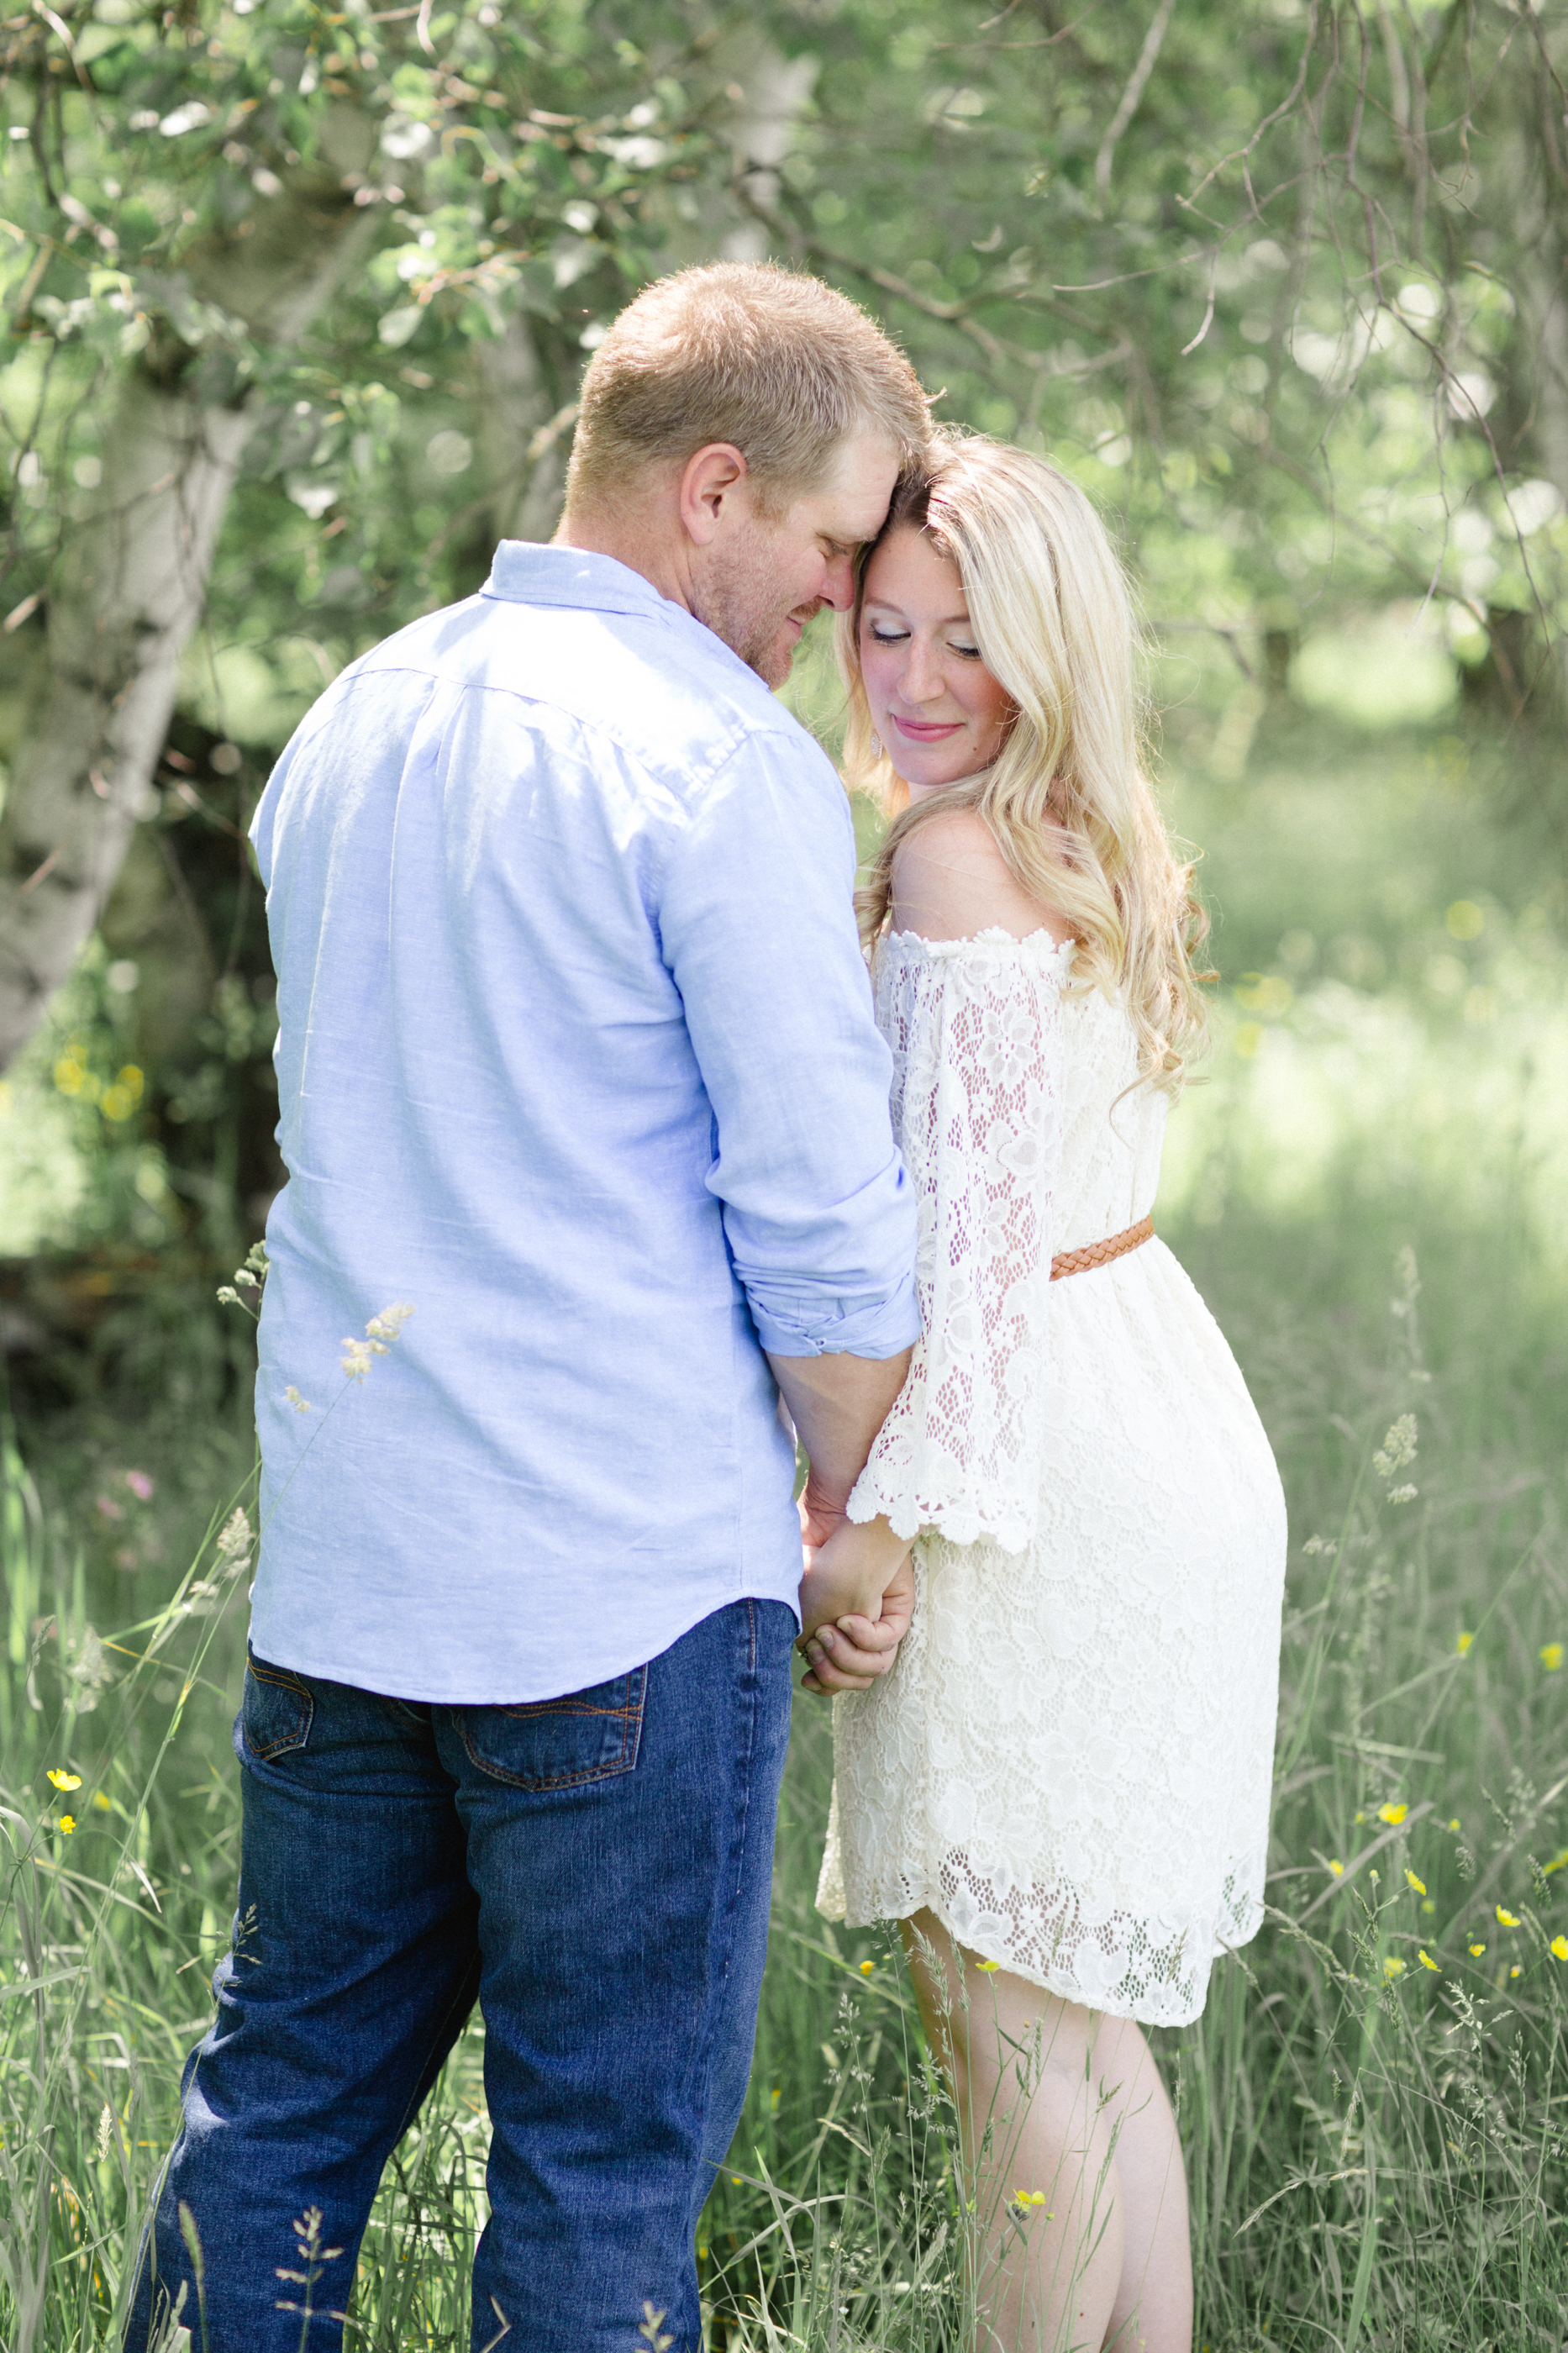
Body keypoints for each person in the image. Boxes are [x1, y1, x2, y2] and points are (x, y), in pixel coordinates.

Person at [126, 263, 933, 2353]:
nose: (838, 606)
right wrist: (847, 1504)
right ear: (719, 491)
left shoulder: (355, 712)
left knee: (275, 2118)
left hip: (353, 1576)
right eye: (836, 548)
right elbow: (824, 1218)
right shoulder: (712, 757)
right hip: (621, 1601)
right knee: (596, 2180)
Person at [803, 434, 1287, 2352]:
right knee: (1078, 2032)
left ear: (1052, 645)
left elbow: (974, 1283)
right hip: (1151, 1415)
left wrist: (868, 1534)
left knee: (1015, 2044)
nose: (916, 681)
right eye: (885, 629)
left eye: (968, 642)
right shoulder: (1087, 831)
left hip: (1039, 1476)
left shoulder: (948, 853)